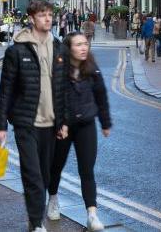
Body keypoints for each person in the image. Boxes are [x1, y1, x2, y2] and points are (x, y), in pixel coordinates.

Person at [0, 0, 68, 232]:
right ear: (32, 18)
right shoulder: (17, 50)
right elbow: (6, 90)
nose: (48, 19)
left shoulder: (59, 48)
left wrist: (63, 121)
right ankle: (37, 223)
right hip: (26, 122)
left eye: (50, 15)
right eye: (43, 15)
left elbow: (62, 87)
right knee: (33, 174)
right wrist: (1, 125)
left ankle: (34, 216)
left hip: (51, 123)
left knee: (45, 176)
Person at [46, 32, 111, 231]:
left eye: (85, 44)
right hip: (64, 127)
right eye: (78, 44)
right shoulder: (59, 69)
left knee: (87, 170)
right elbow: (56, 99)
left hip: (86, 125)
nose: (84, 48)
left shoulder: (92, 68)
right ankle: (53, 198)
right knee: (56, 166)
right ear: (69, 48)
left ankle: (92, 214)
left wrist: (105, 123)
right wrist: (60, 124)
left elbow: (101, 95)